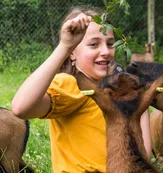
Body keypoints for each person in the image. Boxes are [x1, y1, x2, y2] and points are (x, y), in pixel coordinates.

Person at [11, 5, 152, 173]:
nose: (106, 51)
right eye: (94, 44)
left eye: (110, 44)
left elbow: (143, 158)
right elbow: (20, 108)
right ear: (72, 53)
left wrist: (139, 103)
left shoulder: (118, 97)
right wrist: (64, 46)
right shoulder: (72, 87)